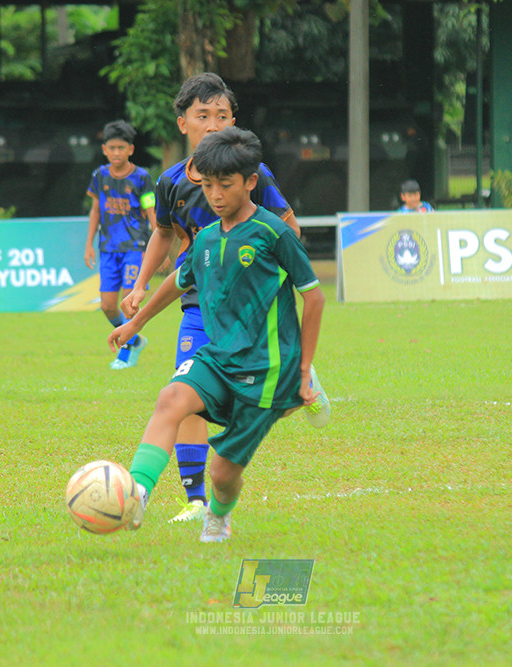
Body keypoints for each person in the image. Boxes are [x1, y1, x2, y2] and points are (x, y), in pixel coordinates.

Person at [121, 73, 330, 524]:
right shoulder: (171, 183)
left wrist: (256, 279)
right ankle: (186, 499)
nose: (213, 124)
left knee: (237, 424)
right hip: (200, 306)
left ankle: (298, 381)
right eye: (203, 116)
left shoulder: (253, 175)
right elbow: (164, 236)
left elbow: (288, 232)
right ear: (183, 124)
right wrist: (139, 291)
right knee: (180, 394)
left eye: (222, 115)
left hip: (254, 316)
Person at [84, 120, 156, 370]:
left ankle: (125, 354)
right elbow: (95, 211)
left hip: (135, 247)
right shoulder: (99, 176)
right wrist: (89, 244)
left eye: (121, 148)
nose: (116, 153)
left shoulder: (142, 177)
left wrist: (158, 245)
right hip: (108, 249)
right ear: (104, 149)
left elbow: (150, 210)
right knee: (107, 306)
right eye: (112, 148)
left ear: (130, 150)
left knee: (129, 301)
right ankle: (135, 340)